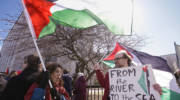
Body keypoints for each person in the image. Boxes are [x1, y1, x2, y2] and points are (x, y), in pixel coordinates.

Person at [94, 50, 162, 100]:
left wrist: (155, 90)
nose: (115, 61)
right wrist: (98, 71)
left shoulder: (137, 73)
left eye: (118, 58)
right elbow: (104, 84)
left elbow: (145, 89)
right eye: (115, 59)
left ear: (126, 59)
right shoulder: (111, 73)